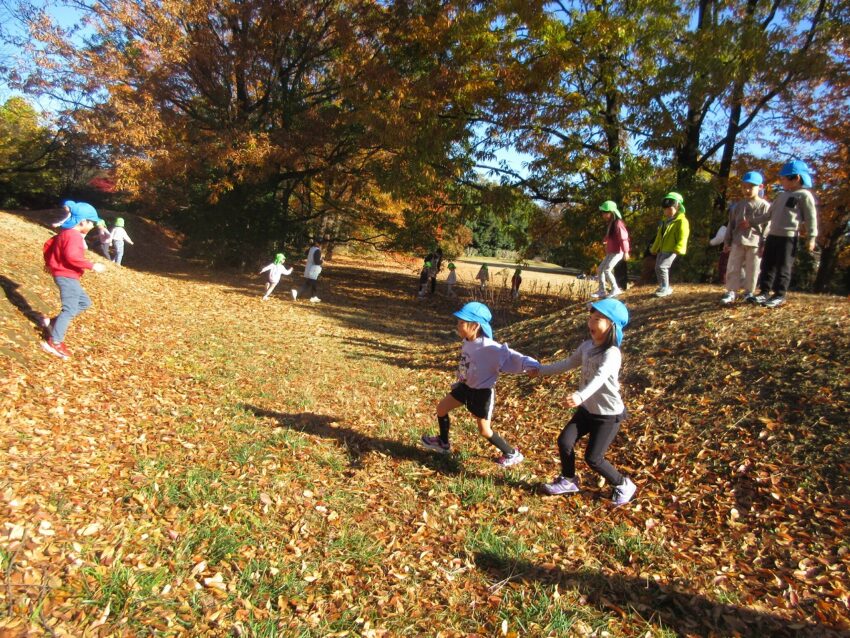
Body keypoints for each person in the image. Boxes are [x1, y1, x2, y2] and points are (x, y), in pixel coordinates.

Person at [529, 298, 636, 506]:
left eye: (598, 319)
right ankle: (568, 480)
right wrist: (540, 370)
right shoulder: (587, 346)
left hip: (608, 415)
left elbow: (600, 378)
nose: (591, 323)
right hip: (587, 410)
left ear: (612, 325)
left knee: (594, 459)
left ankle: (624, 484)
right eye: (591, 317)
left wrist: (579, 396)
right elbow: (568, 363)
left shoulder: (612, 353)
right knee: (565, 441)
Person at [421, 302, 540, 467]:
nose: (458, 325)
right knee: (441, 409)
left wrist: (531, 365)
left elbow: (512, 356)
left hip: (481, 393)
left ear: (475, 325)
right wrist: (461, 380)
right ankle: (443, 442)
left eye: (461, 322)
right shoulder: (467, 341)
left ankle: (512, 453)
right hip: (465, 388)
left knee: (484, 430)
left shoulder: (489, 347)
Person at [40, 204, 107, 359]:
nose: (92, 226)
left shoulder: (64, 233)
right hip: (67, 276)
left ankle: (52, 324)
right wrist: (92, 265)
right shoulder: (74, 236)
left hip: (66, 275)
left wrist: (49, 263)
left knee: (85, 302)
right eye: (91, 222)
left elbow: (48, 244)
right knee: (69, 309)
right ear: (82, 221)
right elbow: (71, 257)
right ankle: (54, 342)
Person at [749, 160, 819, 308]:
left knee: (783, 267)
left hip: (789, 237)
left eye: (784, 178)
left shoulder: (804, 195)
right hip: (772, 235)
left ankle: (779, 295)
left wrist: (812, 237)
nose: (781, 181)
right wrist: (751, 221)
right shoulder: (781, 195)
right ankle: (764, 292)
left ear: (796, 178)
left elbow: (811, 217)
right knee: (767, 264)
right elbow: (768, 215)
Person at [720, 172, 769, 304]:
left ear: (760, 187)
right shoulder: (737, 206)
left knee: (752, 268)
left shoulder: (765, 206)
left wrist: (764, 243)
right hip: (737, 241)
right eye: (744, 187)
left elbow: (767, 226)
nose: (747, 190)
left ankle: (749, 292)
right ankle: (731, 291)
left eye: (751, 187)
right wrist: (727, 241)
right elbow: (731, 224)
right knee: (733, 266)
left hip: (755, 242)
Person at [650, 192, 690, 297]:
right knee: (657, 267)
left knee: (662, 267)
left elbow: (683, 235)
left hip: (672, 249)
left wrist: (679, 248)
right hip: (662, 249)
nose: (667, 211)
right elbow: (659, 236)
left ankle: (665, 288)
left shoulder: (682, 221)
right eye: (665, 209)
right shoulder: (664, 222)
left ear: (678, 207)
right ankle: (663, 285)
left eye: (670, 208)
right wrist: (654, 248)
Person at [592, 201, 630, 299]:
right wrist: (606, 240)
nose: (603, 214)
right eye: (603, 212)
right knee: (600, 269)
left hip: (618, 252)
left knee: (607, 269)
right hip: (611, 252)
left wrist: (626, 252)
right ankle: (602, 290)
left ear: (612, 213)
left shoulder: (618, 223)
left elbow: (624, 238)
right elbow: (610, 236)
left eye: (605, 212)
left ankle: (615, 289)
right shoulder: (611, 224)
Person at [291, 238, 324, 303]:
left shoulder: (311, 249)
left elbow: (306, 253)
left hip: (309, 268)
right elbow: (316, 262)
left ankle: (312, 296)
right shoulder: (317, 250)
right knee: (311, 283)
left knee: (309, 283)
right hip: (313, 270)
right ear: (320, 244)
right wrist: (322, 261)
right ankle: (298, 293)